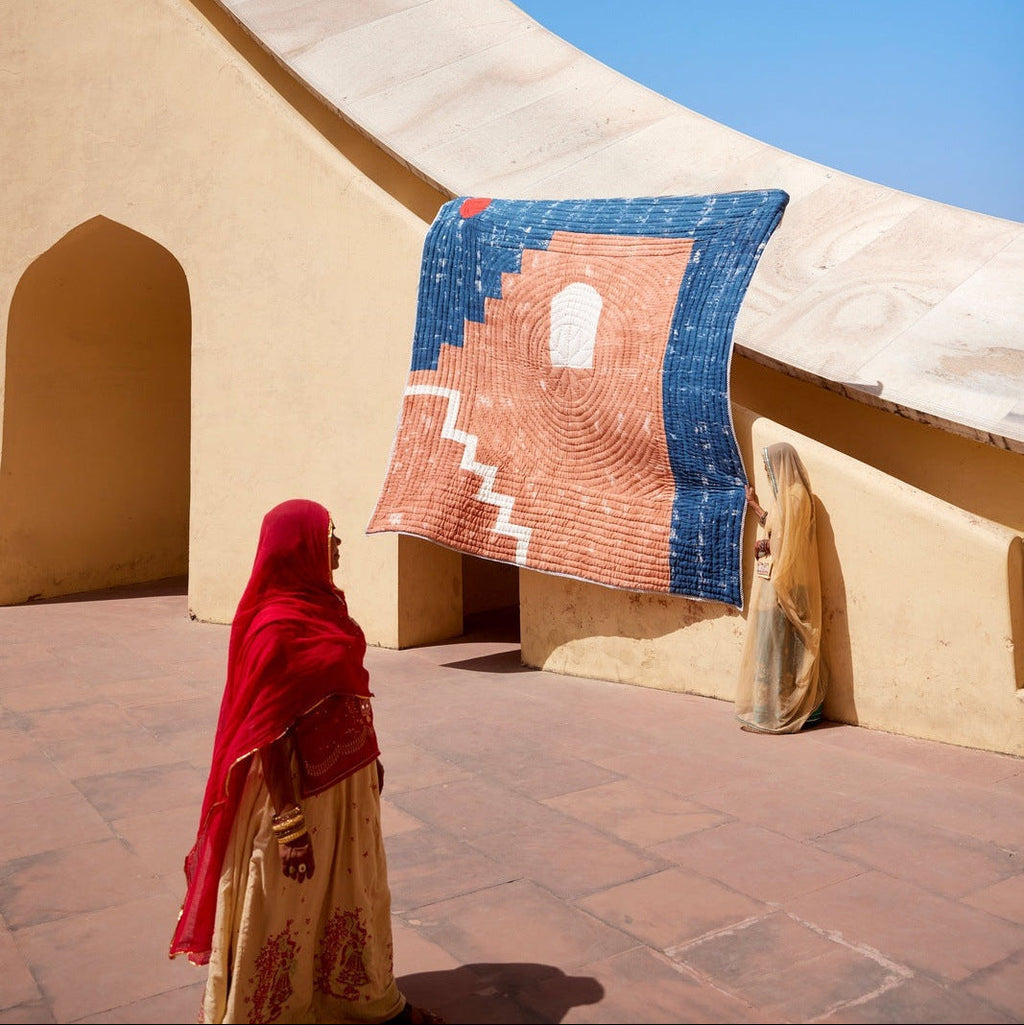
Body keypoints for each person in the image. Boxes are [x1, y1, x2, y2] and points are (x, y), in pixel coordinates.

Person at [169, 498, 444, 1024]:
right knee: (285, 902)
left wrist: (369, 755)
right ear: (298, 548)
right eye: (327, 535)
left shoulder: (325, 607)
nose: (336, 544)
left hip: (346, 786)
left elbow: (347, 689)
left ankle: (359, 998)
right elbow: (268, 730)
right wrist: (289, 824)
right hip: (297, 791)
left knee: (352, 890)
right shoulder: (275, 626)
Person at [735, 443, 826, 733]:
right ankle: (770, 705)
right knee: (771, 644)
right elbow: (776, 525)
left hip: (788, 584)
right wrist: (754, 506)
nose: (768, 472)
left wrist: (766, 545)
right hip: (774, 583)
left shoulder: (797, 497)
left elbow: (789, 541)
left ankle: (786, 707)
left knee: (783, 649)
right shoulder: (785, 498)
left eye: (770, 467)